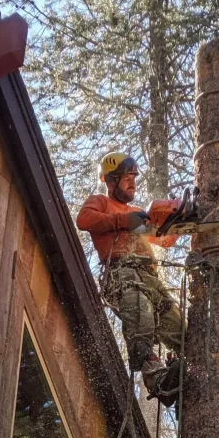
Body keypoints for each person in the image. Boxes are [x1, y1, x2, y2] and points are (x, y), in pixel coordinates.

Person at [76, 152, 182, 403]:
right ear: (111, 180)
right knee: (141, 315)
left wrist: (175, 221)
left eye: (134, 177)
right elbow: (84, 220)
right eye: (127, 178)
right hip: (122, 272)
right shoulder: (101, 202)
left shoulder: (137, 212)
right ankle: (157, 380)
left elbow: (164, 240)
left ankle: (185, 371)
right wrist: (123, 220)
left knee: (177, 326)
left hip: (149, 276)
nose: (133, 182)